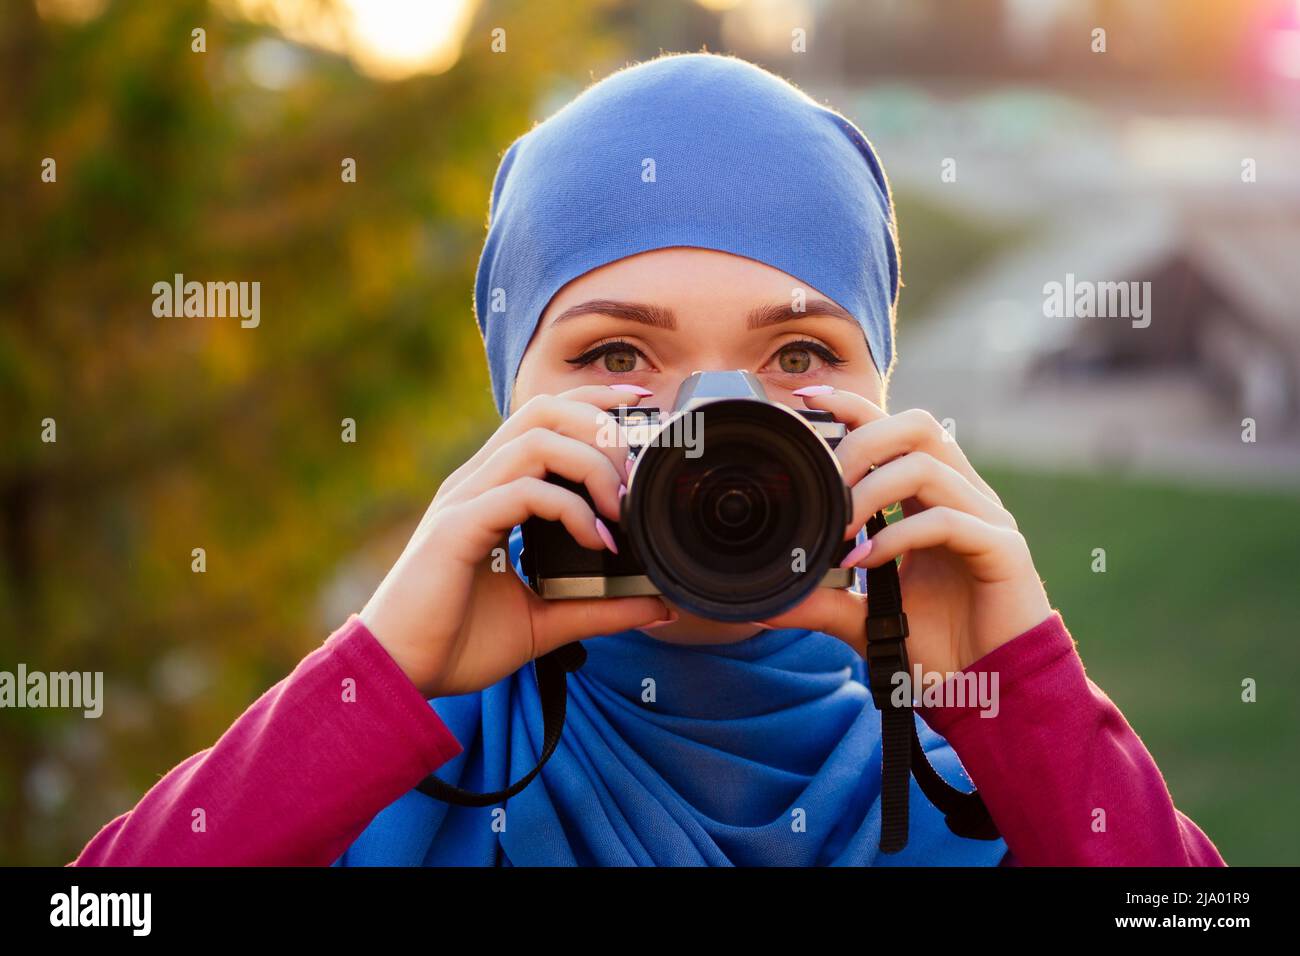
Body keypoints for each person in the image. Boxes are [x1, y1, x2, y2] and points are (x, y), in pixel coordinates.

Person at [72, 52, 1224, 867]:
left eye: (796, 353)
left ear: (882, 402)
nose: (713, 429)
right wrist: (379, 677)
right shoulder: (374, 765)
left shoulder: (993, 787)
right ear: (508, 403)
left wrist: (1015, 692)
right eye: (618, 351)